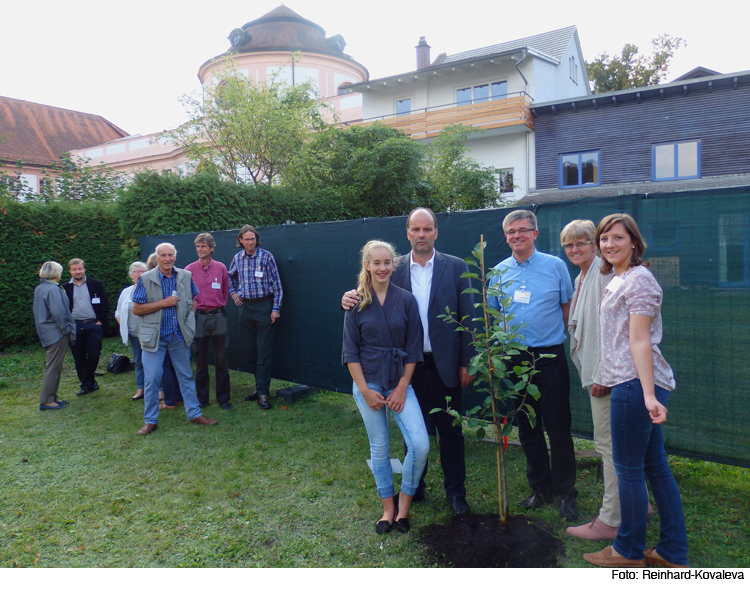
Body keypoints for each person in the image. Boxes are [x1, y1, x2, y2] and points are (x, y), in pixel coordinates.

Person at [342, 207, 475, 515]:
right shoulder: (393, 265)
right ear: (407, 233)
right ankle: (417, 487)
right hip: (406, 367)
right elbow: (365, 296)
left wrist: (467, 360)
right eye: (416, 229)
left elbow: (468, 317)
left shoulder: (455, 267)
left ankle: (456, 494)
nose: (421, 235)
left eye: (427, 229)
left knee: (451, 431)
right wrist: (346, 299)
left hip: (445, 364)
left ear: (436, 232)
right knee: (413, 432)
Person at [583, 214, 688, 568]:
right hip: (629, 382)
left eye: (617, 238)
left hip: (635, 385)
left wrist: (647, 396)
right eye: (604, 239)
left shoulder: (639, 280)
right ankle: (672, 551)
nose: (609, 245)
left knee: (628, 469)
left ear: (634, 242)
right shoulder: (618, 278)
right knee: (655, 468)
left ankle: (626, 551)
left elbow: (640, 340)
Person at [488, 209, 579, 520]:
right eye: (511, 231)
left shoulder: (556, 267)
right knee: (527, 426)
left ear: (535, 233)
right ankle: (540, 488)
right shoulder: (498, 273)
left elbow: (567, 307)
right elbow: (494, 315)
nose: (517, 236)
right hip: (514, 359)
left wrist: (565, 340)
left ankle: (566, 492)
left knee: (558, 426)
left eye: (523, 230)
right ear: (506, 236)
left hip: (550, 356)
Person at [342, 240, 429, 534]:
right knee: (379, 447)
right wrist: (365, 391)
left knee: (419, 444)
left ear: (394, 264)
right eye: (376, 263)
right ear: (367, 265)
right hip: (367, 383)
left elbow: (414, 347)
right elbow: (350, 352)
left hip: (399, 383)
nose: (382, 268)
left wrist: (403, 386)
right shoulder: (355, 303)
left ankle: (404, 506)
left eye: (387, 262)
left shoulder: (406, 300)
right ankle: (388, 509)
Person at [559, 220, 619, 539]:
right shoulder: (581, 276)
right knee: (621, 444)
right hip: (598, 371)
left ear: (593, 245)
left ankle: (611, 519)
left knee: (607, 444)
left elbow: (610, 328)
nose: (574, 249)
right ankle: (638, 504)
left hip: (605, 374)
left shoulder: (603, 273)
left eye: (581, 243)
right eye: (569, 245)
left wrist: (602, 373)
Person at [131, 242, 217, 435]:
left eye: (170, 255)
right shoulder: (145, 279)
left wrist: (189, 320)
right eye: (163, 255)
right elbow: (136, 308)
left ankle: (194, 414)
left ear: (175, 257)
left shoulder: (185, 276)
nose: (167, 259)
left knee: (186, 376)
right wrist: (164, 303)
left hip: (178, 337)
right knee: (152, 379)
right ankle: (150, 421)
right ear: (157, 257)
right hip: (155, 339)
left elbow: (194, 299)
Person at [228, 224, 283, 410]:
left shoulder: (266, 256)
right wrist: (233, 293)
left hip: (264, 307)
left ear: (256, 240)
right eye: (247, 239)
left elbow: (277, 284)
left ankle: (264, 393)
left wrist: (275, 308)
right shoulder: (237, 258)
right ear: (240, 241)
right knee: (250, 350)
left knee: (264, 351)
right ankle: (258, 388)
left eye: (253, 239)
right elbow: (229, 278)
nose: (250, 242)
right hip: (245, 308)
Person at [185, 233, 231, 409]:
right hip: (199, 318)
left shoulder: (220, 268)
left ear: (212, 248)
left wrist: (218, 306)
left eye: (203, 246)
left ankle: (224, 399)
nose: (200, 249)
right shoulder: (189, 269)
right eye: (197, 246)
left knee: (221, 359)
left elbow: (225, 291)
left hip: (218, 316)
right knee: (201, 360)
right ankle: (202, 399)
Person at [33, 261, 76, 410]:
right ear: (56, 273)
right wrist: (66, 329)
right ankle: (46, 400)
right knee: (53, 366)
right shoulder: (53, 289)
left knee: (56, 365)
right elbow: (58, 312)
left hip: (47, 331)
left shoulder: (41, 287)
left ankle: (52, 397)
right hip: (55, 333)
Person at [63, 258, 109, 396]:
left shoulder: (96, 284)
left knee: (94, 353)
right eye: (74, 269)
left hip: (93, 324)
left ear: (84, 269)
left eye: (80, 268)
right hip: (75, 326)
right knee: (79, 356)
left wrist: (100, 320)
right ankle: (86, 384)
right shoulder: (64, 288)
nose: (78, 272)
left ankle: (90, 380)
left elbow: (105, 303)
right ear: (70, 271)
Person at [115, 261, 148, 401]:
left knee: (154, 363)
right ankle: (140, 390)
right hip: (134, 335)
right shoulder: (126, 292)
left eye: (143, 271)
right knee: (139, 362)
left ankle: (160, 391)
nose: (140, 274)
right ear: (131, 275)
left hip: (149, 335)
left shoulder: (151, 290)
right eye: (137, 271)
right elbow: (118, 313)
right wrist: (125, 328)